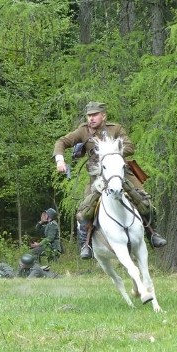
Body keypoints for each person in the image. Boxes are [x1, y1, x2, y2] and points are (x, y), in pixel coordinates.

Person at [53, 101, 166, 259]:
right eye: (89, 115)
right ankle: (86, 245)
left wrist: (112, 154)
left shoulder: (116, 128)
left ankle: (152, 234)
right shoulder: (83, 131)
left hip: (120, 173)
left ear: (103, 116)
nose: (91, 118)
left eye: (94, 115)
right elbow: (61, 142)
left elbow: (130, 146)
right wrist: (60, 160)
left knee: (143, 200)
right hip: (97, 177)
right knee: (85, 210)